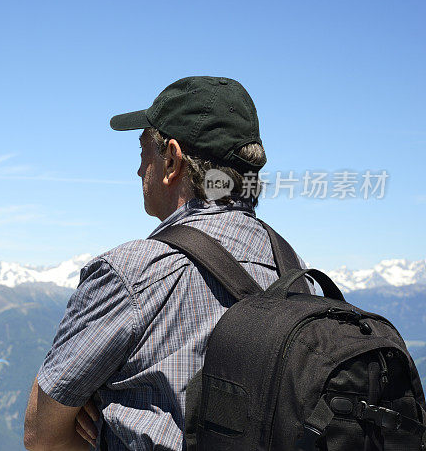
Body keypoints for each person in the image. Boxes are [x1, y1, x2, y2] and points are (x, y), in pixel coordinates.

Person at [23, 76, 307, 450]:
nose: (139, 170)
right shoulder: (293, 268)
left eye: (144, 153)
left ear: (171, 160)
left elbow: (41, 435)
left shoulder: (131, 274)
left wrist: (94, 409)